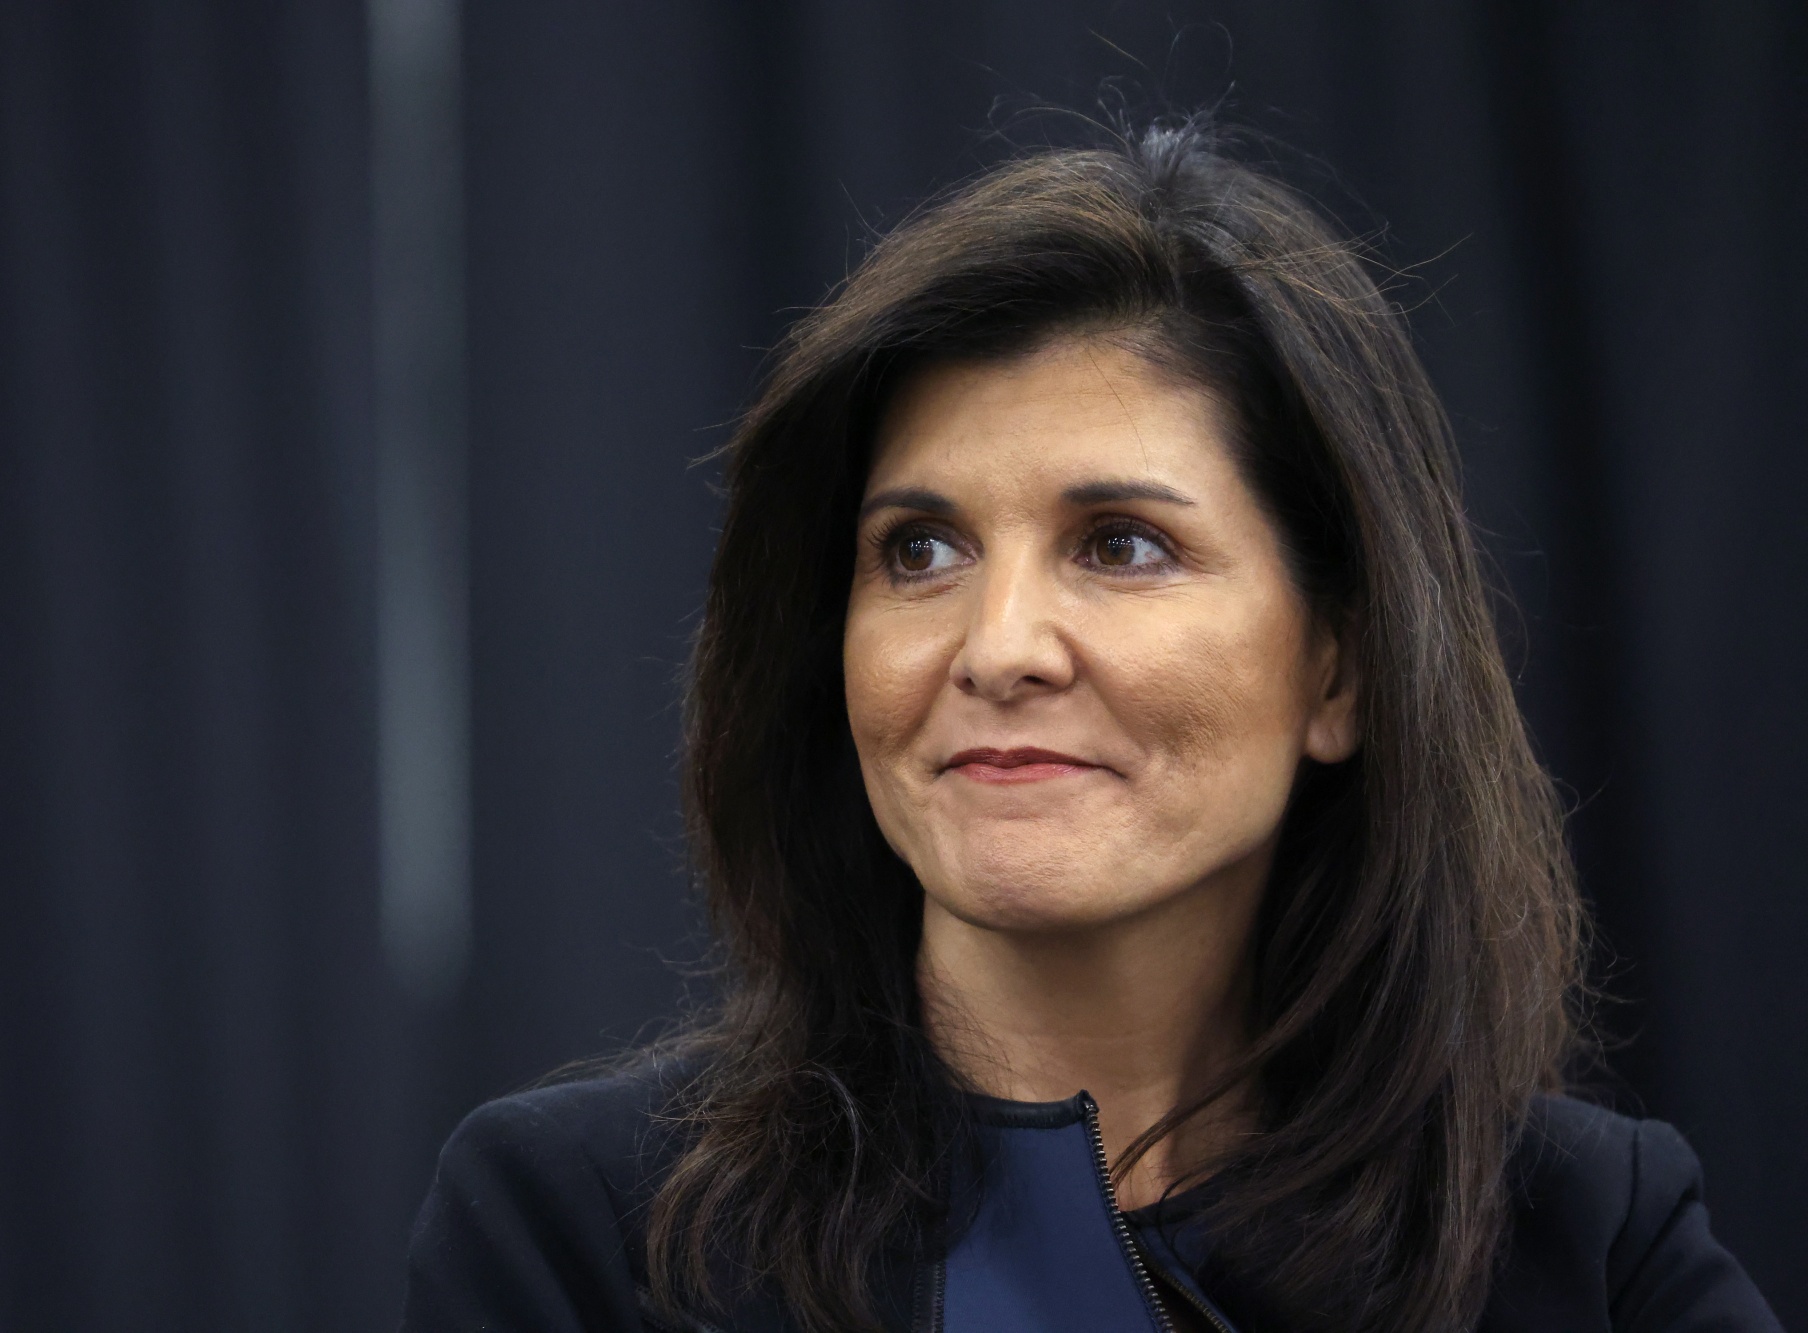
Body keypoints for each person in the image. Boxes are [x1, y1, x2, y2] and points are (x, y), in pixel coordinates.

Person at [399, 123, 1779, 1333]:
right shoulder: (589, 1234)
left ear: (1340, 672)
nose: (998, 646)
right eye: (920, 551)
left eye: (1120, 545)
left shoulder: (1583, 1237)